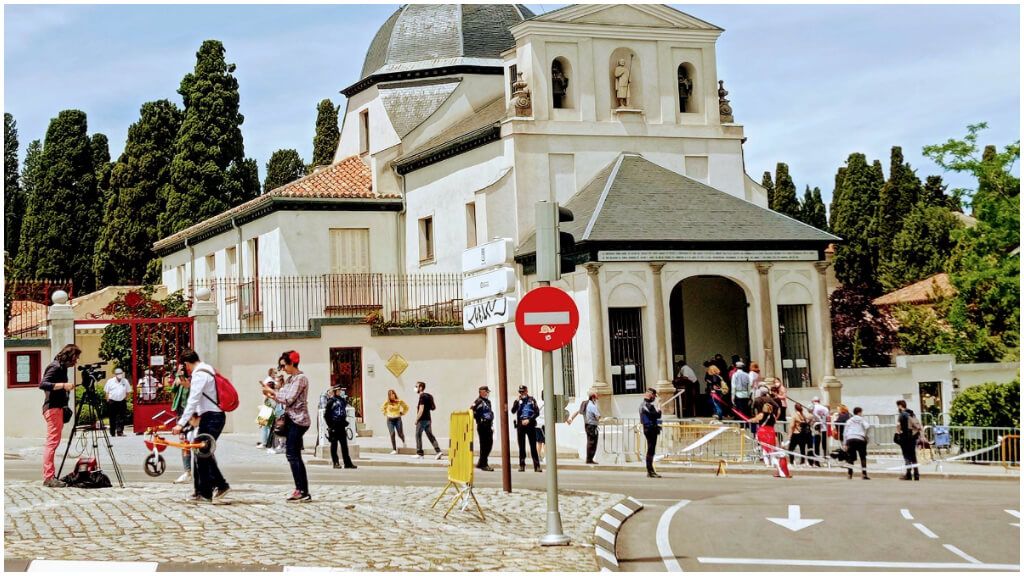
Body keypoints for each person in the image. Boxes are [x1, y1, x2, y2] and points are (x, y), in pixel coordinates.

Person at [173, 349, 230, 504]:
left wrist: (180, 423)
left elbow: (193, 400)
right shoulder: (207, 369)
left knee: (202, 453)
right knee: (201, 452)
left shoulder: (200, 374)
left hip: (212, 417)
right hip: (210, 416)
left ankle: (210, 491)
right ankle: (203, 490)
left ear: (186, 363)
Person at [262, 350, 311, 502]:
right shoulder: (291, 379)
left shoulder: (300, 379)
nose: (282, 369)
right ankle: (301, 489)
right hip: (291, 419)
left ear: (292, 363)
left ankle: (302, 491)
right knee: (293, 454)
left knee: (292, 454)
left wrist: (273, 392)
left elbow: (289, 398)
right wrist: (272, 393)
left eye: (284, 365)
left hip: (299, 420)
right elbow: (282, 395)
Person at [39, 344, 81, 487]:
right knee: (51, 443)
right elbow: (43, 384)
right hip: (53, 408)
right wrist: (63, 385)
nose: (76, 361)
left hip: (57, 408)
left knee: (53, 443)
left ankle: (49, 476)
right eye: (76, 358)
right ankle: (48, 477)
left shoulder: (62, 368)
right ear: (70, 356)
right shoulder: (55, 367)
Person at [750, 400, 789, 478]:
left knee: (764, 448)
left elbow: (754, 420)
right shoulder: (773, 415)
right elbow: (774, 422)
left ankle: (767, 463)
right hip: (771, 431)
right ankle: (773, 462)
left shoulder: (761, 414)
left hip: (763, 431)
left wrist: (749, 420)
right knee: (771, 448)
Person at [168, 368, 193, 485]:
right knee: (184, 442)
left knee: (196, 443)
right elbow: (173, 390)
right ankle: (187, 472)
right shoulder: (179, 381)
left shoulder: (193, 381)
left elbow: (190, 390)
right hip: (181, 413)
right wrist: (177, 381)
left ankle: (204, 473)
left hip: (192, 416)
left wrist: (181, 378)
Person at [324, 385, 357, 470]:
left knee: (344, 445)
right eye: (338, 390)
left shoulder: (342, 400)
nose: (339, 392)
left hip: (341, 425)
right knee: (334, 445)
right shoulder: (331, 401)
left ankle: (347, 463)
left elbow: (343, 411)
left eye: (340, 390)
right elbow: (326, 415)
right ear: (335, 391)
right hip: (334, 426)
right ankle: (336, 462)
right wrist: (330, 425)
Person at [511, 385, 541, 472]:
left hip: (530, 424)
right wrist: (516, 402)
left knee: (533, 446)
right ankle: (522, 465)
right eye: (520, 392)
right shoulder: (518, 401)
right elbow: (513, 411)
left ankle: (537, 466)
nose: (521, 393)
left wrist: (529, 420)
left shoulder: (532, 400)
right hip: (521, 425)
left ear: (526, 391)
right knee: (521, 446)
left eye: (523, 391)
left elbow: (537, 412)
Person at [567, 390, 600, 465]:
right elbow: (598, 417)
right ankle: (589, 459)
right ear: (593, 397)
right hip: (592, 426)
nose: (597, 399)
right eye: (596, 397)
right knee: (592, 443)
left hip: (587, 425)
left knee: (590, 442)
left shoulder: (585, 404)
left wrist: (571, 419)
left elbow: (578, 412)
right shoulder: (592, 406)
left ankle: (589, 459)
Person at [414, 382, 443, 460]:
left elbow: (421, 409)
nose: (415, 388)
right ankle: (438, 451)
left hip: (422, 420)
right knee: (430, 435)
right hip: (428, 420)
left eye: (416, 386)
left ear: (421, 388)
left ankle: (420, 453)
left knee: (418, 435)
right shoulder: (428, 396)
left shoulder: (422, 397)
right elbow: (432, 408)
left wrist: (416, 419)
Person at [639, 388, 663, 478]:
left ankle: (650, 470)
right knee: (651, 450)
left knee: (651, 450)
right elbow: (658, 415)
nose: (654, 398)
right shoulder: (648, 406)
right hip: (650, 429)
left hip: (647, 429)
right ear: (651, 395)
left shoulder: (642, 405)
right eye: (654, 396)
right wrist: (659, 405)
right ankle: (650, 471)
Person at [896, 399, 921, 481]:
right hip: (913, 437)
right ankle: (916, 474)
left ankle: (908, 474)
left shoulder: (902, 415)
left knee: (906, 456)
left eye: (898, 406)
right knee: (913, 456)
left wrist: (897, 433)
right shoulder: (911, 413)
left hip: (905, 437)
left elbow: (898, 426)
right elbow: (917, 425)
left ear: (900, 406)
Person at [471, 386, 494, 471]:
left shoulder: (488, 402)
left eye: (488, 392)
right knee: (484, 445)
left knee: (489, 444)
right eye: (486, 392)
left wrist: (491, 424)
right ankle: (484, 464)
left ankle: (481, 462)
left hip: (488, 425)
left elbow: (489, 413)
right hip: (482, 425)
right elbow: (471, 410)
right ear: (482, 392)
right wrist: (478, 419)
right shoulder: (478, 401)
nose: (488, 393)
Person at [844, 407, 870, 480]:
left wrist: (845, 443)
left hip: (850, 438)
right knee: (862, 457)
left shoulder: (849, 420)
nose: (862, 414)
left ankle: (850, 474)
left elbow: (845, 432)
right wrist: (865, 435)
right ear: (859, 412)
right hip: (860, 438)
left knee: (850, 457)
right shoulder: (861, 419)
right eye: (861, 412)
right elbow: (867, 426)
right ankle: (864, 474)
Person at [104, 367, 131, 436]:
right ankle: (112, 432)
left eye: (120, 373)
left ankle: (120, 431)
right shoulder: (110, 381)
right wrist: (108, 400)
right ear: (115, 374)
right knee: (112, 417)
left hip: (122, 401)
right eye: (118, 373)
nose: (119, 375)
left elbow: (128, 392)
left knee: (121, 417)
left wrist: (125, 399)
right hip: (112, 402)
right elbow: (106, 392)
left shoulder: (125, 381)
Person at [382, 389, 409, 454]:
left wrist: (403, 412)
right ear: (389, 396)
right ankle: (394, 449)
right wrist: (386, 414)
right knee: (392, 433)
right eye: (390, 394)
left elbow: (406, 407)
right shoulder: (387, 402)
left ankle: (404, 441)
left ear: (395, 394)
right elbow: (383, 408)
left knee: (400, 433)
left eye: (393, 393)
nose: (392, 395)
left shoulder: (399, 401)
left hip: (397, 419)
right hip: (390, 420)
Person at [810, 397, 830, 467]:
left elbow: (811, 416)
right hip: (824, 428)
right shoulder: (825, 408)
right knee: (824, 445)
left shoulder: (813, 407)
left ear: (813, 401)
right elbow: (828, 419)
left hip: (817, 428)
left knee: (816, 445)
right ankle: (825, 460)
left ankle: (817, 461)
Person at [535, 396, 547, 464]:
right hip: (544, 424)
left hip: (537, 424)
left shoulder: (538, 402)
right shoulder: (548, 403)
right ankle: (546, 456)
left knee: (539, 442)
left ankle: (538, 456)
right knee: (546, 441)